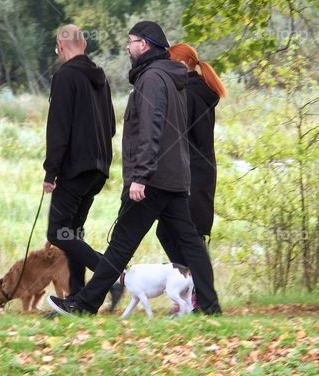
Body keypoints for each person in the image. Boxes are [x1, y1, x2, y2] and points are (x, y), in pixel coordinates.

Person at [46, 20, 222, 316]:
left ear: (144, 44)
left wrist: (140, 176)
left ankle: (85, 304)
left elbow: (151, 129)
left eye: (131, 41)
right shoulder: (172, 76)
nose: (127, 47)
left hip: (152, 179)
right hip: (175, 177)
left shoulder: (153, 78)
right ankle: (209, 305)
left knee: (120, 245)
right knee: (190, 243)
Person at [42, 25, 122, 306]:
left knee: (57, 232)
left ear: (61, 46)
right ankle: (78, 297)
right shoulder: (101, 79)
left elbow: (59, 129)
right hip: (99, 169)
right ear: (84, 44)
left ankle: (109, 274)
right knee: (73, 232)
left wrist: (51, 171)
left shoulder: (65, 77)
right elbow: (111, 126)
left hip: (76, 168)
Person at [155, 43, 225, 310]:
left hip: (192, 172)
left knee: (189, 236)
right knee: (172, 231)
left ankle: (200, 297)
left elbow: (177, 134)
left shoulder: (188, 94)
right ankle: (193, 291)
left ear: (182, 65)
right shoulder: (198, 91)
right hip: (199, 170)